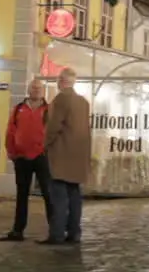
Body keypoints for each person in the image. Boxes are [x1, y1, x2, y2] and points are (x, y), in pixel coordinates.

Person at [42, 67, 91, 245]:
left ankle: (56, 234)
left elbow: (53, 126)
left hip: (61, 155)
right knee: (75, 197)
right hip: (78, 156)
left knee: (59, 197)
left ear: (61, 81)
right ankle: (74, 232)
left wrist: (45, 144)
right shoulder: (83, 102)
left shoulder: (61, 99)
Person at [0, 79, 53, 241]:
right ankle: (18, 230)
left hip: (42, 157)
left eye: (39, 88)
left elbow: (55, 133)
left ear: (43, 91)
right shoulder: (18, 109)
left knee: (48, 194)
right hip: (22, 158)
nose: (36, 90)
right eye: (34, 88)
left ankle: (55, 230)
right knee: (22, 195)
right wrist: (11, 151)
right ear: (28, 90)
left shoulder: (49, 110)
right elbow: (10, 131)